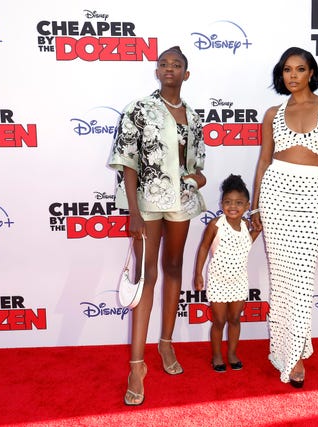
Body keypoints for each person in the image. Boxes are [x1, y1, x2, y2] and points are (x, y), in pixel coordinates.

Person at [108, 46, 207, 405]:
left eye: (176, 64)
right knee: (146, 275)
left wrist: (195, 181)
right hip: (146, 204)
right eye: (163, 63)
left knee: (175, 267)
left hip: (180, 202)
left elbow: (196, 164)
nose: (169, 68)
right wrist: (133, 211)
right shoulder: (138, 109)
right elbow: (127, 161)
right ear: (156, 71)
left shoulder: (193, 117)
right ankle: (137, 365)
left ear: (186, 74)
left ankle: (166, 343)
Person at [251, 47, 318, 388]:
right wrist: (256, 205)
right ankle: (288, 353)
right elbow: (263, 161)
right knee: (281, 278)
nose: (292, 75)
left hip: (313, 194)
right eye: (287, 70)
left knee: (302, 277)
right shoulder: (272, 113)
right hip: (276, 190)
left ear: (311, 73)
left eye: (300, 69)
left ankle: (295, 351)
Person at [194, 174, 260, 373]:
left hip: (239, 281)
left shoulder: (247, 226)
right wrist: (198, 274)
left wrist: (257, 228)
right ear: (222, 203)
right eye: (228, 202)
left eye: (239, 203)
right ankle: (216, 355)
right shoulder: (216, 224)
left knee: (235, 319)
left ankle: (232, 353)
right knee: (219, 321)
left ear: (247, 206)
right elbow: (204, 248)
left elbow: (246, 244)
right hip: (218, 280)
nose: (233, 206)